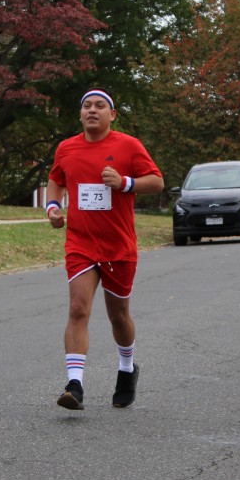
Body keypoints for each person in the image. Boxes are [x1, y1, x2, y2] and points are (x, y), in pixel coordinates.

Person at [46, 88, 164, 411]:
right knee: (78, 309)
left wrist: (126, 183)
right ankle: (74, 385)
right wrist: (53, 208)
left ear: (112, 115)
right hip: (81, 243)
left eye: (100, 106)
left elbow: (156, 181)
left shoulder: (129, 146)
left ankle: (126, 369)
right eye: (87, 106)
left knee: (118, 316)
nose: (92, 110)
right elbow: (56, 180)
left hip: (118, 246)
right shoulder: (66, 148)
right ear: (80, 114)